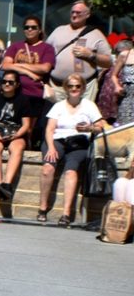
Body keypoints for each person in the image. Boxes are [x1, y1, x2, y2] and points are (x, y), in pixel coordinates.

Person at [37, 73, 108, 227]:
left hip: (78, 142)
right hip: (57, 140)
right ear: (66, 88)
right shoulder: (58, 106)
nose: (74, 89)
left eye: (77, 86)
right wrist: (51, 148)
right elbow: (49, 129)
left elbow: (101, 126)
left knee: (71, 172)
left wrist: (89, 128)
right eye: (71, 86)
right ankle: (42, 208)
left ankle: (66, 213)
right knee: (47, 168)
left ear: (83, 88)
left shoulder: (89, 105)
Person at [0, 69, 32, 202]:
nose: (7, 84)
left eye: (11, 82)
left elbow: (26, 125)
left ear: (17, 84)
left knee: (18, 147)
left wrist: (16, 135)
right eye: (4, 81)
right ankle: (0, 185)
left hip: (15, 135)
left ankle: (7, 183)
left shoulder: (23, 100)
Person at [45, 0, 112, 103]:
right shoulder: (58, 30)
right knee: (57, 113)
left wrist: (91, 55)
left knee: (83, 114)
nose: (74, 15)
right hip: (57, 87)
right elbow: (45, 52)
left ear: (87, 15)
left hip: (84, 89)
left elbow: (108, 62)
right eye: (73, 12)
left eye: (78, 12)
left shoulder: (96, 34)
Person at [3, 15, 54, 149]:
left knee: (29, 128)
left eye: (33, 27)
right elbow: (6, 65)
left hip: (35, 94)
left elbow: (45, 68)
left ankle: (27, 151)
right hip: (16, 93)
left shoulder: (47, 48)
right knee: (14, 125)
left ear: (39, 30)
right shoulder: (15, 46)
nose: (29, 30)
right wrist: (29, 72)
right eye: (27, 27)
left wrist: (18, 65)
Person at [110, 40, 134, 127]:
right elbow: (114, 75)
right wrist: (117, 86)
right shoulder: (124, 55)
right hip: (128, 97)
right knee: (125, 126)